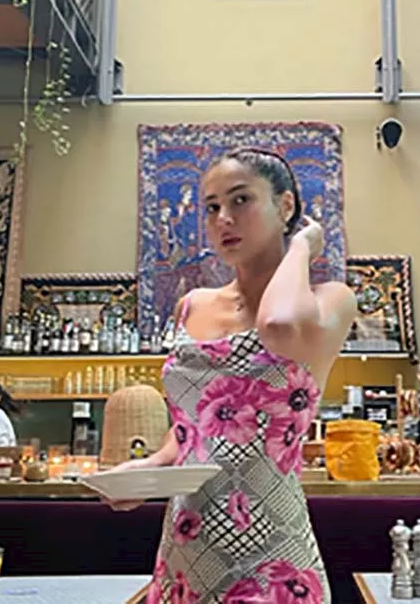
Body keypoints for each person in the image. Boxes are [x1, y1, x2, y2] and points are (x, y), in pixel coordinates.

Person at [108, 147, 357, 604]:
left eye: (241, 200)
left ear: (285, 206)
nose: (223, 218)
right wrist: (150, 468)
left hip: (272, 553)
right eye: (211, 207)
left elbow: (278, 326)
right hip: (186, 548)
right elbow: (191, 426)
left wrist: (301, 245)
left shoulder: (330, 300)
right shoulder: (192, 305)